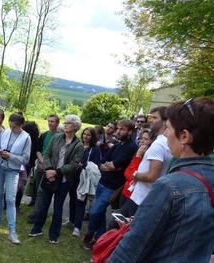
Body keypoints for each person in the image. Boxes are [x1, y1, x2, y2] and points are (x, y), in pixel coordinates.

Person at [108, 98, 214, 262]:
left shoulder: (169, 186)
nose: (165, 134)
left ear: (184, 136)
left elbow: (130, 250)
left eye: (169, 129)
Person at [28, 115, 84, 244]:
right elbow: (47, 154)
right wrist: (48, 169)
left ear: (75, 127)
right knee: (43, 205)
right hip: (49, 176)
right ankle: (36, 229)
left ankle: (54, 235)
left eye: (68, 123)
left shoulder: (78, 145)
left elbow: (74, 165)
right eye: (65, 123)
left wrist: (57, 172)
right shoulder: (57, 138)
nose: (65, 125)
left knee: (58, 208)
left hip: (63, 180)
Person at [83, 119, 137, 249]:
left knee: (95, 212)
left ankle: (90, 233)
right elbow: (102, 161)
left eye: (121, 129)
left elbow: (113, 165)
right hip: (102, 182)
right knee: (100, 213)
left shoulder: (131, 147)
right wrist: (110, 166)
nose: (118, 131)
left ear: (130, 132)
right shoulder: (118, 145)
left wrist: (112, 166)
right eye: (117, 128)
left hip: (112, 186)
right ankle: (100, 240)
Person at [0, 113, 31, 245]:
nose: (11, 129)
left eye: (14, 127)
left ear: (21, 125)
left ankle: (12, 232)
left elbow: (25, 159)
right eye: (10, 126)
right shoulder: (5, 132)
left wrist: (10, 156)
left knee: (10, 199)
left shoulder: (26, 137)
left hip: (13, 170)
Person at [129, 107, 172, 207]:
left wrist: (135, 175)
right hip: (144, 196)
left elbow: (152, 176)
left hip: (143, 198)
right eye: (150, 117)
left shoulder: (159, 144)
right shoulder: (163, 141)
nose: (151, 120)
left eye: (155, 117)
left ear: (165, 122)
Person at [27, 114, 61, 221]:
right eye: (49, 121)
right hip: (40, 166)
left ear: (57, 123)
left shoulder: (61, 137)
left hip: (51, 169)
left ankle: (37, 215)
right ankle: (37, 211)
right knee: (37, 189)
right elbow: (37, 149)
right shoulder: (45, 135)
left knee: (43, 191)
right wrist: (41, 159)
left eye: (53, 121)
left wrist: (47, 164)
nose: (50, 123)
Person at [72, 127, 102, 237]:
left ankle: (77, 227)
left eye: (88, 135)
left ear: (93, 136)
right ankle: (72, 220)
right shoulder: (78, 144)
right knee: (73, 198)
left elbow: (96, 165)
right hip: (73, 175)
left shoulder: (95, 149)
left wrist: (83, 165)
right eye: (84, 134)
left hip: (85, 178)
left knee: (81, 201)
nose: (85, 136)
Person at [17, 121, 40, 214]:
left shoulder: (21, 138)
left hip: (16, 163)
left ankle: (7, 204)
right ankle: (16, 205)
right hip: (26, 165)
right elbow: (35, 154)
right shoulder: (35, 141)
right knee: (21, 185)